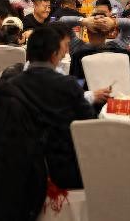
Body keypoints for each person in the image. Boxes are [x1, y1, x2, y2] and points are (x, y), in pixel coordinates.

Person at [11, 27, 95, 188]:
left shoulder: (10, 85)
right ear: (54, 53)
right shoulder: (68, 85)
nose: (65, 53)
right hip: (63, 170)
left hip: (19, 168)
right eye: (64, 48)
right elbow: (89, 125)